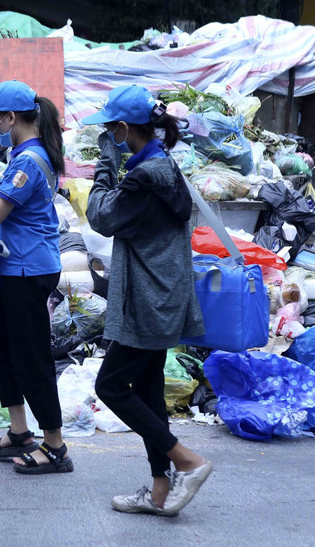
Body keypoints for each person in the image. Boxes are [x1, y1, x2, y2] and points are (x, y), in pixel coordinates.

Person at [84, 85, 213, 515]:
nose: (107, 135)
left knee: (111, 386)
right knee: (149, 391)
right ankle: (160, 490)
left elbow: (102, 215)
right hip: (161, 292)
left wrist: (105, 159)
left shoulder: (144, 177)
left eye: (109, 129)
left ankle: (188, 462)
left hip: (149, 299)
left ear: (123, 129)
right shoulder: (160, 165)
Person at [0, 80, 72, 475]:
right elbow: (14, 199)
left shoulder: (27, 160)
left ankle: (55, 445)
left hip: (29, 268)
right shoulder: (27, 154)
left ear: (11, 118)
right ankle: (21, 431)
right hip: (20, 265)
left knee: (31, 356)